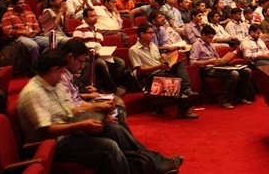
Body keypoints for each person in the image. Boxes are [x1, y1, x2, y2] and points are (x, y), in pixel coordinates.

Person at [16, 49, 183, 174]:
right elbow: (46, 131)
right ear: (53, 70)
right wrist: (83, 124)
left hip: (69, 131)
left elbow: (71, 110)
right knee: (108, 147)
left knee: (114, 128)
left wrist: (98, 114)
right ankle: (147, 165)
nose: (62, 76)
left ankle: (153, 162)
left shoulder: (53, 84)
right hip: (53, 144)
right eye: (60, 72)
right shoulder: (33, 93)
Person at [129, 23, 199, 119]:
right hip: (149, 77)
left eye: (153, 33)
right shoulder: (133, 50)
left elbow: (158, 61)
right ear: (142, 34)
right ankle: (184, 107)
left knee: (179, 65)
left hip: (160, 71)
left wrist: (165, 59)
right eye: (150, 33)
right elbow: (140, 70)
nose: (153, 35)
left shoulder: (153, 45)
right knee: (175, 78)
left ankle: (186, 89)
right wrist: (159, 66)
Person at [189, 26, 253, 109]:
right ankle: (225, 100)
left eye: (212, 38)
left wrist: (224, 60)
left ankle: (239, 96)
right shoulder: (196, 45)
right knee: (234, 74)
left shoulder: (211, 45)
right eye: (209, 37)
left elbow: (217, 58)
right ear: (203, 35)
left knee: (246, 71)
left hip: (217, 66)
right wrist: (209, 62)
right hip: (207, 69)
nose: (211, 40)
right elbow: (192, 62)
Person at [73, 8, 126, 96]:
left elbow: (100, 45)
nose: (95, 18)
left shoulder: (98, 30)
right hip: (86, 55)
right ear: (85, 18)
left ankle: (105, 84)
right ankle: (113, 88)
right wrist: (89, 51)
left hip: (99, 54)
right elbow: (76, 46)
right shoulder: (79, 29)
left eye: (96, 15)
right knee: (101, 63)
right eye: (92, 16)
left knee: (120, 62)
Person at [1, 0, 49, 71]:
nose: (23, 5)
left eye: (24, 3)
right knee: (33, 45)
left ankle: (42, 62)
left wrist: (35, 32)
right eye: (20, 3)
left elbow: (37, 28)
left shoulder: (30, 13)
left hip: (33, 36)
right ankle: (35, 68)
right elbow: (7, 31)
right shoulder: (8, 15)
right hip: (19, 38)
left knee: (51, 42)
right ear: (13, 5)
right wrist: (22, 33)